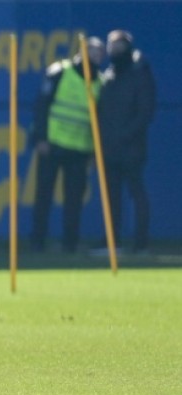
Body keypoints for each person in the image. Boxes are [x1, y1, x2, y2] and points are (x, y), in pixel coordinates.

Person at [29, 38, 105, 253]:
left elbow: (97, 119)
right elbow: (41, 106)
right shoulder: (60, 71)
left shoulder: (99, 81)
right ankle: (37, 241)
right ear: (82, 52)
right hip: (52, 144)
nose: (97, 56)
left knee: (74, 200)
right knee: (43, 196)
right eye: (93, 52)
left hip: (80, 149)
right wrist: (40, 138)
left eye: (100, 54)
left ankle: (70, 243)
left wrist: (92, 150)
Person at [97, 30, 156, 254]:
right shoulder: (109, 74)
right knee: (111, 197)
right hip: (109, 148)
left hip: (131, 147)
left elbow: (145, 112)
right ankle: (112, 242)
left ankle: (141, 244)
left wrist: (124, 136)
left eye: (119, 46)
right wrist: (105, 140)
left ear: (128, 47)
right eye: (111, 46)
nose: (115, 51)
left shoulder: (140, 72)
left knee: (136, 193)